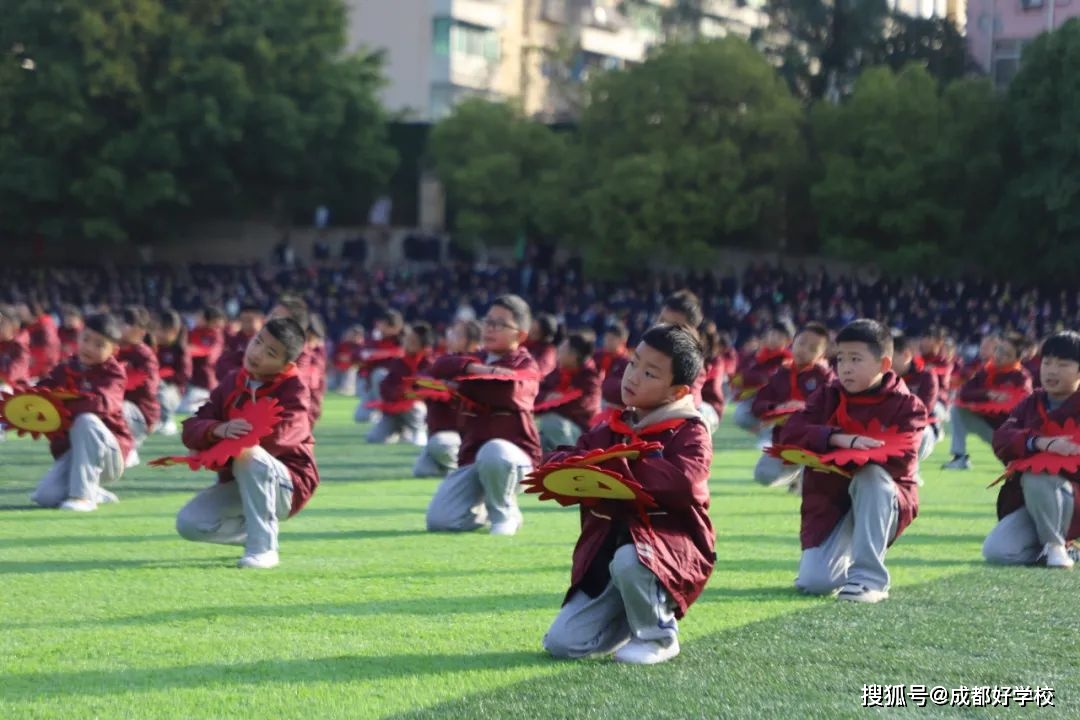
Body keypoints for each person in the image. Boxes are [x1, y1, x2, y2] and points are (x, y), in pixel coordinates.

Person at [542, 324, 714, 664]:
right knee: (561, 644)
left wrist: (613, 468)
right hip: (607, 553)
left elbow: (685, 482)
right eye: (634, 363)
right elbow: (573, 454)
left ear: (676, 390)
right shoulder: (613, 426)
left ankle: (658, 636)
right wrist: (563, 464)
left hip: (668, 551)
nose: (632, 376)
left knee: (630, 559)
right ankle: (632, 618)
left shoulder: (690, 431)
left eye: (649, 373)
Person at [780, 319, 927, 603]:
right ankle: (846, 562)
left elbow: (903, 461)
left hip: (882, 502)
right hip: (833, 504)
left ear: (884, 365)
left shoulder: (907, 406)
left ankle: (869, 580)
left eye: (856, 359)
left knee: (871, 475)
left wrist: (854, 457)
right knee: (815, 582)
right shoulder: (827, 395)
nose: (845, 367)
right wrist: (838, 438)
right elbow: (791, 431)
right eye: (841, 358)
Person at [175, 318, 318, 569]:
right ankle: (258, 530)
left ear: (287, 364)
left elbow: (279, 438)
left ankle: (263, 548)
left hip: (287, 485)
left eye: (270, 352)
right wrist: (217, 429)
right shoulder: (233, 381)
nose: (257, 353)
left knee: (249, 453)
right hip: (242, 482)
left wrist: (223, 440)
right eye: (258, 342)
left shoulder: (295, 389)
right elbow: (191, 428)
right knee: (189, 523)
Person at [425, 294, 541, 537]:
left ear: (519, 335)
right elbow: (439, 366)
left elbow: (507, 390)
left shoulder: (527, 365)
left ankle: (505, 514)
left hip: (515, 459)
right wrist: (476, 369)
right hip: (473, 457)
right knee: (440, 520)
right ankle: (488, 510)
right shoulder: (476, 358)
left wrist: (465, 381)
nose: (489, 328)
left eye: (499, 324)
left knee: (495, 450)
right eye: (488, 321)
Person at [984, 331, 1080, 569]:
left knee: (1037, 472)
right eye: (1047, 362)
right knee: (997, 551)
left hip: (1074, 496)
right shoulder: (1031, 403)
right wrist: (1041, 443)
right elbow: (1002, 439)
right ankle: (1062, 550)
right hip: (1037, 502)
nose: (1051, 370)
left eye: (1063, 365)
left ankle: (1055, 546)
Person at [30, 313, 133, 512]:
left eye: (99, 345)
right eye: (85, 339)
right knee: (45, 496)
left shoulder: (114, 374)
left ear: (114, 350)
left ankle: (83, 497)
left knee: (86, 419)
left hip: (109, 456)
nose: (89, 348)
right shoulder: (66, 368)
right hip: (75, 454)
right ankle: (93, 489)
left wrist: (62, 405)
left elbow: (102, 403)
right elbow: (42, 392)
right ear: (78, 337)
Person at [750, 322, 833, 489]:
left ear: (822, 354)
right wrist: (777, 409)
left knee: (816, 488)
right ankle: (794, 475)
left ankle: (806, 473)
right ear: (793, 342)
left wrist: (805, 407)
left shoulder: (826, 377)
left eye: (812, 348)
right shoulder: (781, 373)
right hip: (784, 442)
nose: (804, 350)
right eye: (801, 343)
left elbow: (831, 407)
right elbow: (758, 405)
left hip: (815, 444)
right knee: (763, 475)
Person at [943, 331, 1033, 470]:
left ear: (1017, 359)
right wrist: (988, 394)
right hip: (986, 427)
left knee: (1018, 469)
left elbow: (1022, 408)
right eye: (999, 350)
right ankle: (959, 457)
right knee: (957, 409)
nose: (999, 356)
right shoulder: (985, 371)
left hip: (1008, 435)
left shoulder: (1021, 378)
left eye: (1006, 354)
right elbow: (964, 393)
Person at [413, 319, 481, 478]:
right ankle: (457, 468)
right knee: (422, 471)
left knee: (441, 444)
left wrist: (451, 386)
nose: (450, 336)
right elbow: (421, 378)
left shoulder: (478, 365)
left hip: (463, 436)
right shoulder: (444, 360)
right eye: (452, 332)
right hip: (439, 432)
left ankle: (468, 470)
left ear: (473, 343)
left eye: (457, 334)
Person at [366, 322, 435, 446]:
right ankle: (398, 431)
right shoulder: (399, 362)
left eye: (412, 340)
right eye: (407, 339)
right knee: (373, 438)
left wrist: (410, 393)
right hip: (395, 408)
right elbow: (386, 386)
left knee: (417, 407)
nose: (407, 343)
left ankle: (418, 430)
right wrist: (399, 393)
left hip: (417, 410)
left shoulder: (430, 363)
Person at [535, 330, 602, 453]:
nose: (558, 350)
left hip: (579, 432)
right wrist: (547, 397)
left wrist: (556, 402)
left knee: (551, 422)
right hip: (553, 429)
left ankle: (573, 461)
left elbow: (585, 405)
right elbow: (537, 391)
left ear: (574, 355)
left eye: (563, 348)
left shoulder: (590, 377)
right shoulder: (558, 371)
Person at [732, 320, 795, 445]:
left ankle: (768, 436)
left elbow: (769, 378)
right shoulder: (758, 355)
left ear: (788, 341)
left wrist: (753, 378)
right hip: (754, 397)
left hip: (775, 400)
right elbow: (744, 373)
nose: (773, 339)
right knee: (740, 416)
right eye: (771, 334)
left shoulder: (787, 360)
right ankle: (765, 433)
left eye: (778, 336)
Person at [117, 306, 161, 467]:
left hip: (140, 414)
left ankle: (130, 448)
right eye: (120, 322)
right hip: (122, 409)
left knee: (116, 406)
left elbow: (148, 387)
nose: (120, 327)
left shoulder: (144, 355)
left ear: (141, 332)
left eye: (126, 323)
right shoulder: (112, 349)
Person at [891, 333, 941, 464]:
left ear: (906, 355)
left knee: (919, 432)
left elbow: (924, 409)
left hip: (923, 427)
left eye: (891, 358)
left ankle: (910, 470)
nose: (886, 364)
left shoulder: (926, 376)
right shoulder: (884, 378)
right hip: (891, 427)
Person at [180, 306, 226, 412]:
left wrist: (189, 350)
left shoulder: (216, 335)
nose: (196, 318)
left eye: (200, 316)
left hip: (205, 382)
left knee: (191, 410)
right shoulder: (193, 332)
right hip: (190, 380)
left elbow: (210, 356)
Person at [154, 310, 192, 436]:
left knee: (162, 392)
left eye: (162, 330)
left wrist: (165, 376)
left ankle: (168, 421)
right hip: (155, 386)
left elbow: (185, 375)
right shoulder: (154, 347)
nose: (158, 334)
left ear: (174, 331)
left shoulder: (180, 350)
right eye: (157, 329)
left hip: (174, 390)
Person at [214, 306, 265, 381]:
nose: (246, 324)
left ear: (261, 321)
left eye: (249, 320)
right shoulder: (233, 340)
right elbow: (222, 363)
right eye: (243, 320)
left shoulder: (266, 342)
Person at [526, 313, 561, 378]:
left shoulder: (548, 352)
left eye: (535, 332)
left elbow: (539, 372)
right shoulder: (524, 342)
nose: (530, 331)